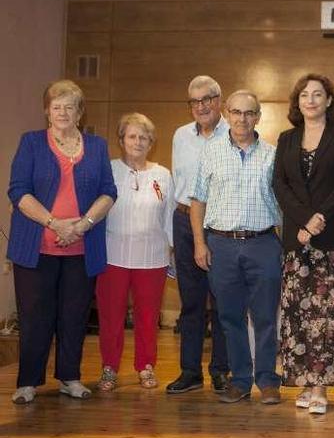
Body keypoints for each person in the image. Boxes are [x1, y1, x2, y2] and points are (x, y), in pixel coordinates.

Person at [8, 79, 116, 404]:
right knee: (34, 316)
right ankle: (28, 382)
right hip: (36, 247)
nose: (63, 112)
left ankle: (70, 377)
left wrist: (82, 225)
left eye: (70, 106)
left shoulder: (96, 147)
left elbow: (109, 192)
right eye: (57, 106)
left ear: (80, 112)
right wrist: (55, 223)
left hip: (82, 249)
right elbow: (18, 192)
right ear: (47, 111)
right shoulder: (31, 143)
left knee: (74, 315)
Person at [190, 90, 283, 405]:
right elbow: (198, 201)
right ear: (227, 114)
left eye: (249, 113)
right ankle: (240, 380)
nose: (243, 119)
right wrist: (200, 243)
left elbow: (285, 203)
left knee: (266, 316)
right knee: (229, 317)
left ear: (258, 117)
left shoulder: (273, 155)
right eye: (237, 112)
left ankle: (269, 381)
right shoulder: (210, 152)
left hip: (264, 244)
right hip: (222, 245)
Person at [273, 74, 334, 414]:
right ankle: (305, 381)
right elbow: (280, 184)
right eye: (304, 95)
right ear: (297, 102)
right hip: (297, 240)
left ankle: (322, 387)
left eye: (318, 94)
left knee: (328, 317)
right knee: (299, 317)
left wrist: (319, 218)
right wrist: (305, 219)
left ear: (329, 101)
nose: (310, 100)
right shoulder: (287, 138)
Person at [96, 113, 174, 392]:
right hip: (112, 256)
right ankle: (109, 368)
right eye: (132, 136)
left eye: (144, 137)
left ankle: (146, 366)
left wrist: (173, 252)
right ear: (121, 140)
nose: (138, 142)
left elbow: (170, 217)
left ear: (151, 142)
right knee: (110, 315)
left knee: (148, 316)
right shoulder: (108, 169)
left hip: (152, 257)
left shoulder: (163, 175)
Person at [167, 75, 230, 395]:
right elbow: (176, 188)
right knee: (190, 304)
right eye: (195, 101)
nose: (201, 106)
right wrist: (170, 237)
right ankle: (190, 371)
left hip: (218, 225)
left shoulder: (233, 135)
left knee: (221, 302)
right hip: (182, 223)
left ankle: (221, 370)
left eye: (207, 99)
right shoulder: (180, 136)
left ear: (219, 100)